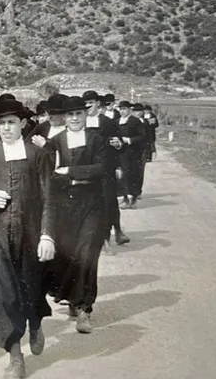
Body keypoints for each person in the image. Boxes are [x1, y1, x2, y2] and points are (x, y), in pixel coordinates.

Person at [0, 99, 56, 379]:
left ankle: (35, 323)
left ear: (23, 124)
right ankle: (15, 355)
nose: (6, 128)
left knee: (31, 287)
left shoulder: (38, 155)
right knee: (4, 293)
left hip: (31, 233)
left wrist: (47, 234)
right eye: (1, 123)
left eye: (11, 122)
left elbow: (50, 198)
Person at [42, 96, 108, 334]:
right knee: (68, 254)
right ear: (64, 117)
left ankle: (84, 309)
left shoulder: (97, 139)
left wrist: (69, 171)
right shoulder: (55, 142)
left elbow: (102, 168)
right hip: (65, 206)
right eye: (70, 115)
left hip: (92, 204)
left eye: (78, 113)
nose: (74, 118)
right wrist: (77, 178)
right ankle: (72, 297)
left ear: (85, 114)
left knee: (87, 252)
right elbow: (50, 174)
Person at [81, 92, 130, 249]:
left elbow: (119, 144)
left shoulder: (108, 122)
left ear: (97, 103)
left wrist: (118, 150)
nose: (88, 106)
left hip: (106, 168)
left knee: (109, 201)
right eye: (85, 103)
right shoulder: (79, 122)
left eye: (91, 102)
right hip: (86, 168)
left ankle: (111, 234)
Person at [116, 101, 146, 209]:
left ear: (129, 109)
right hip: (120, 152)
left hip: (133, 152)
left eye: (124, 109)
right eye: (120, 109)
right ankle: (124, 198)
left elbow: (142, 137)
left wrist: (129, 140)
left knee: (132, 175)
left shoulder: (135, 121)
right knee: (122, 176)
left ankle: (133, 199)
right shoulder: (116, 121)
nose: (122, 111)